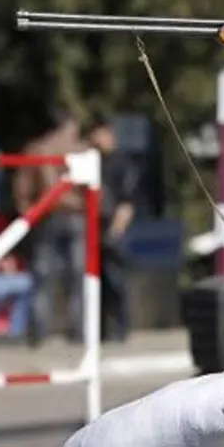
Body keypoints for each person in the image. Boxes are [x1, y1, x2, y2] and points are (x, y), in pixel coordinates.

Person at [13, 110, 87, 345]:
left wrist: (27, 212)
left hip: (48, 214)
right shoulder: (79, 149)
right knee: (76, 277)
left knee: (44, 275)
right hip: (70, 215)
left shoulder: (37, 148)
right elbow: (93, 188)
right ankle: (77, 331)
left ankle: (39, 332)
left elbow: (21, 186)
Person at [84, 115, 139, 342]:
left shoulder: (122, 164)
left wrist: (116, 230)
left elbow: (127, 201)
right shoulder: (94, 161)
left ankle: (120, 328)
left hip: (113, 228)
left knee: (116, 282)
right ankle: (101, 330)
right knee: (98, 284)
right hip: (94, 227)